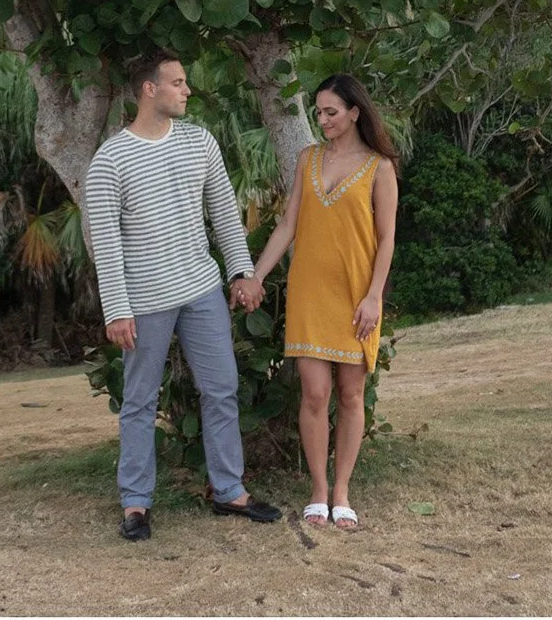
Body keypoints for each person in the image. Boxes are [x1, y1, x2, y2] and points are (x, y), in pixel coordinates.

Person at [86, 48, 282, 542]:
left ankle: (229, 491)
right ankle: (135, 504)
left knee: (221, 389)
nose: (187, 90)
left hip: (201, 289)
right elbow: (106, 242)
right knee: (138, 401)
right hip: (145, 300)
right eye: (177, 82)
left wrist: (241, 270)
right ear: (149, 89)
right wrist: (117, 308)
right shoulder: (110, 160)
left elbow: (224, 212)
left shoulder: (200, 142)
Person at [233, 72, 398, 533]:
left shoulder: (379, 167)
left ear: (354, 113)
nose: (322, 120)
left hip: (356, 296)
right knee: (313, 394)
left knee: (349, 394)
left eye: (331, 112)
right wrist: (256, 276)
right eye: (318, 112)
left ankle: (342, 491)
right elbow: (288, 226)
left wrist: (373, 298)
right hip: (309, 291)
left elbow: (386, 241)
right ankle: (318, 491)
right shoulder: (307, 159)